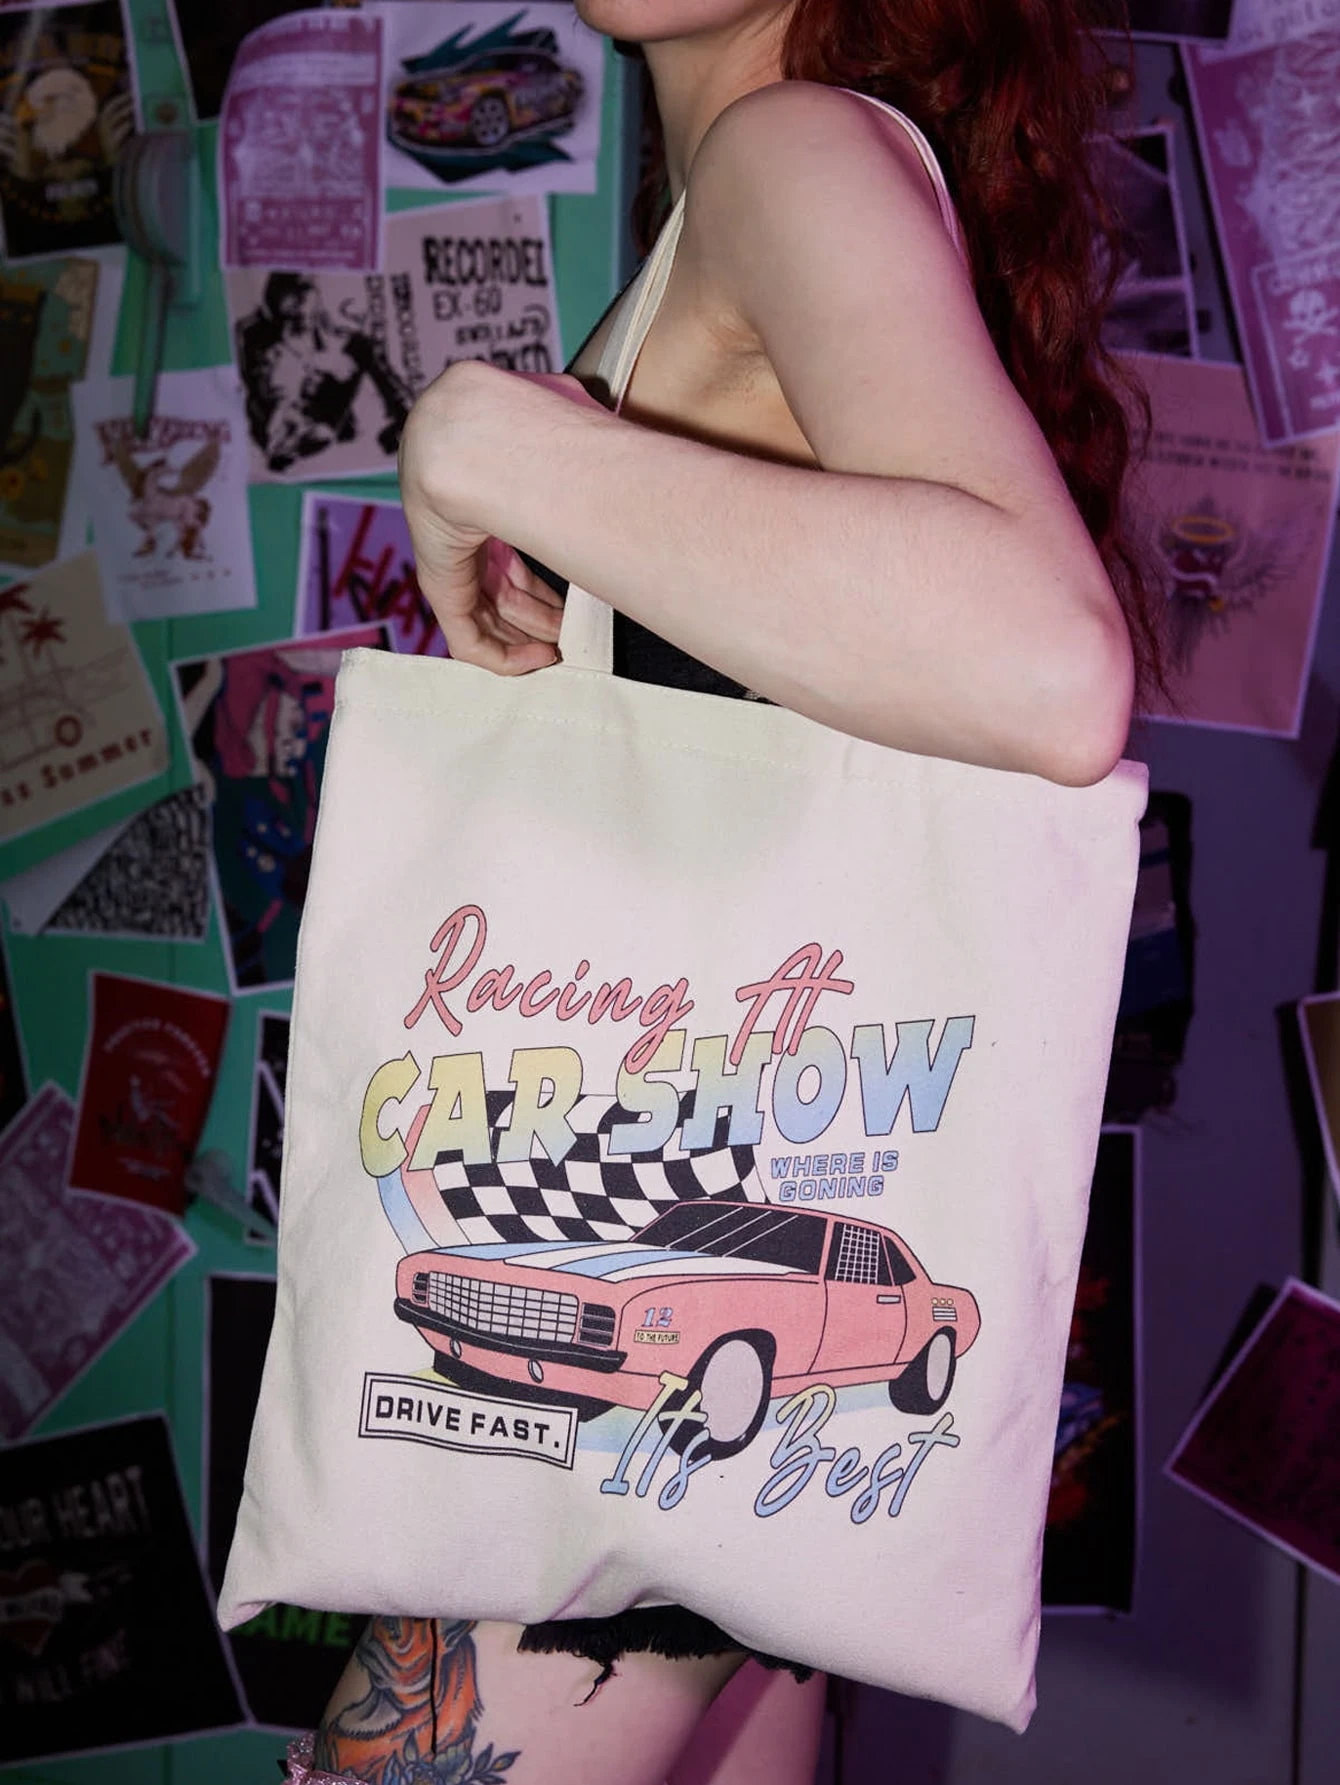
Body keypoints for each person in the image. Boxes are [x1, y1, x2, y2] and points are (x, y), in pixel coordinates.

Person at [292, 1, 1158, 1780]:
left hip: (633, 1411)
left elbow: (1053, 673)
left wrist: (491, 443)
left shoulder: (792, 153)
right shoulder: (744, 202)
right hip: (746, 1401)